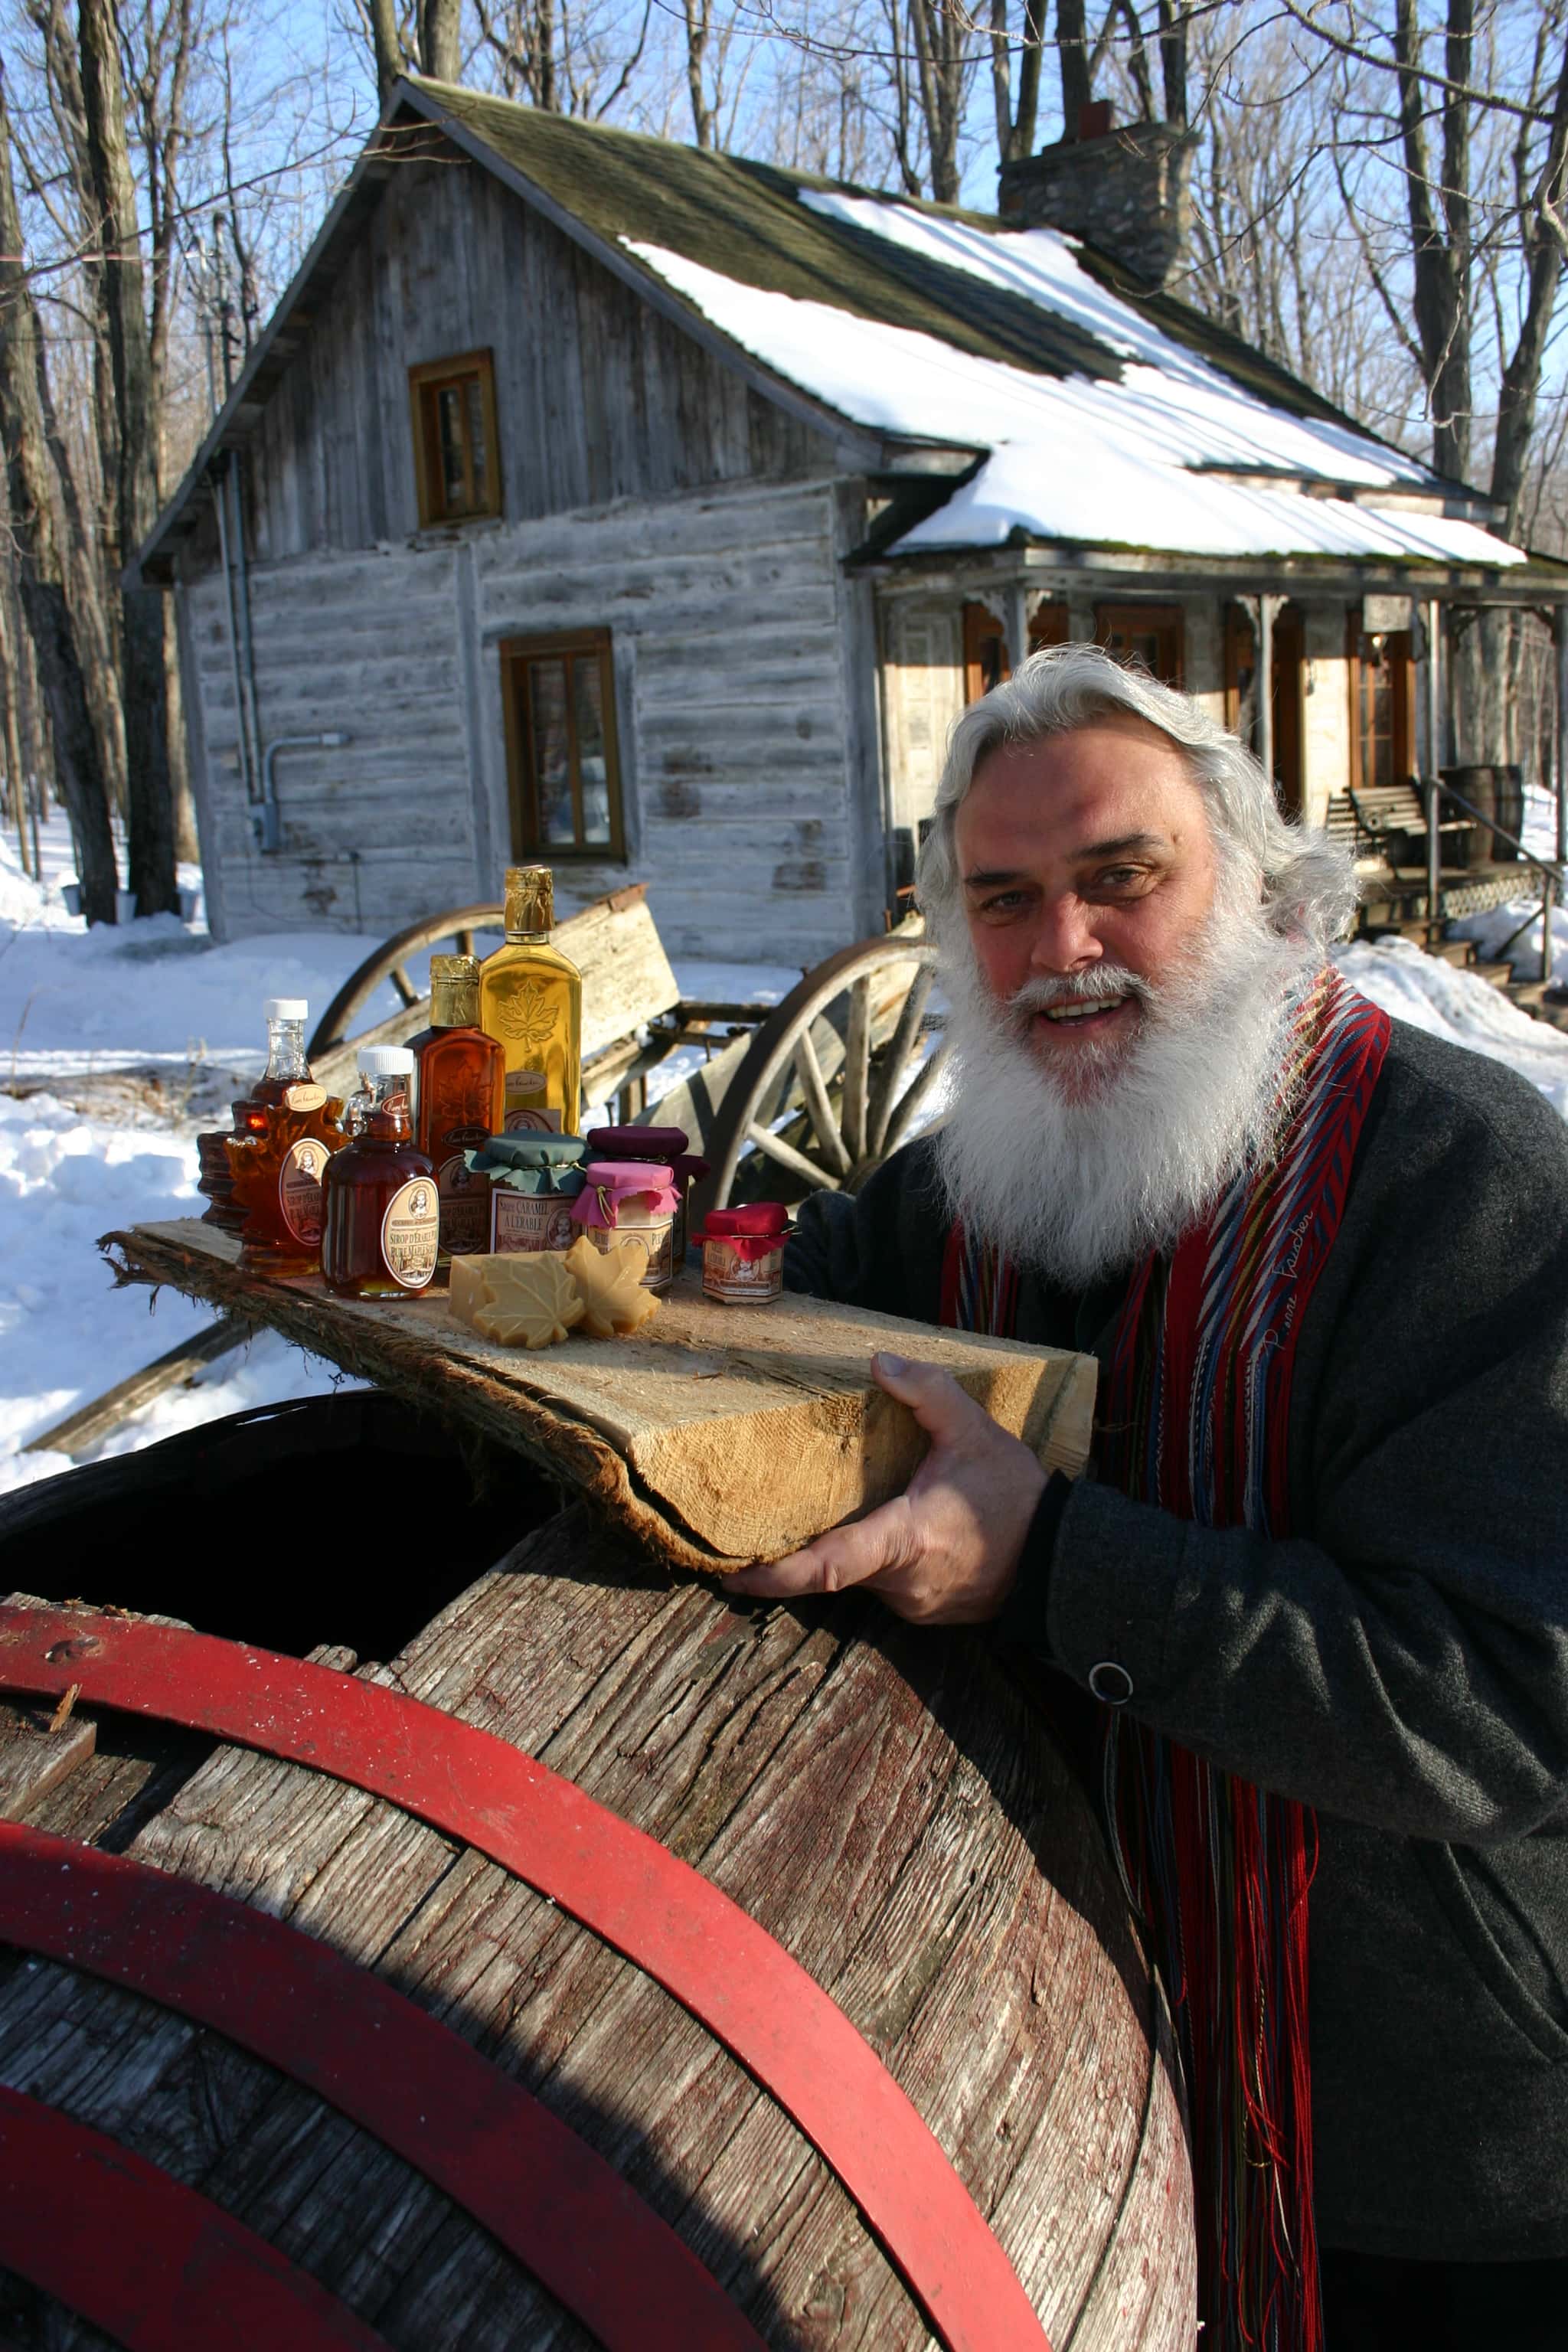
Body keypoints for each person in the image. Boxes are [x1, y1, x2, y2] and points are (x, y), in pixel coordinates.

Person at [725, 645, 1568, 2352]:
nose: (1062, 954)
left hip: (1439, 2153)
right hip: (1074, 2088)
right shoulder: (966, 1187)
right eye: (1006, 901)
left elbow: (1500, 1706)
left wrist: (1048, 1566)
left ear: (1258, 887)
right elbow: (769, 1325)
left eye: (1124, 879)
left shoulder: (1475, 1195)